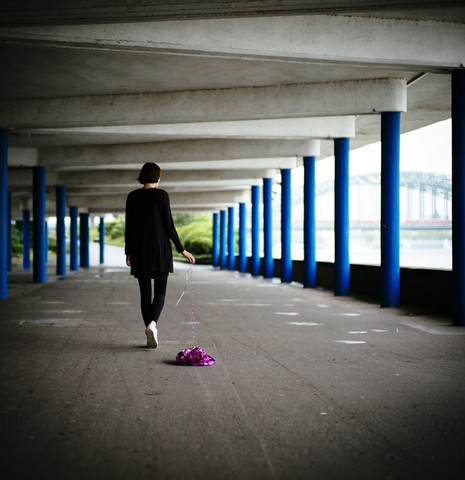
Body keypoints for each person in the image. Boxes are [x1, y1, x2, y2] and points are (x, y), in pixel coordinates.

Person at [125, 162, 195, 348]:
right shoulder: (162, 195)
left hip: (139, 251)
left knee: (145, 294)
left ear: (142, 176)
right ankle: (152, 324)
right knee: (161, 292)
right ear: (158, 177)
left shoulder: (132, 196)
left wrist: (128, 251)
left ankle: (149, 328)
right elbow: (169, 226)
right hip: (160, 250)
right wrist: (182, 249)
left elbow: (129, 227)